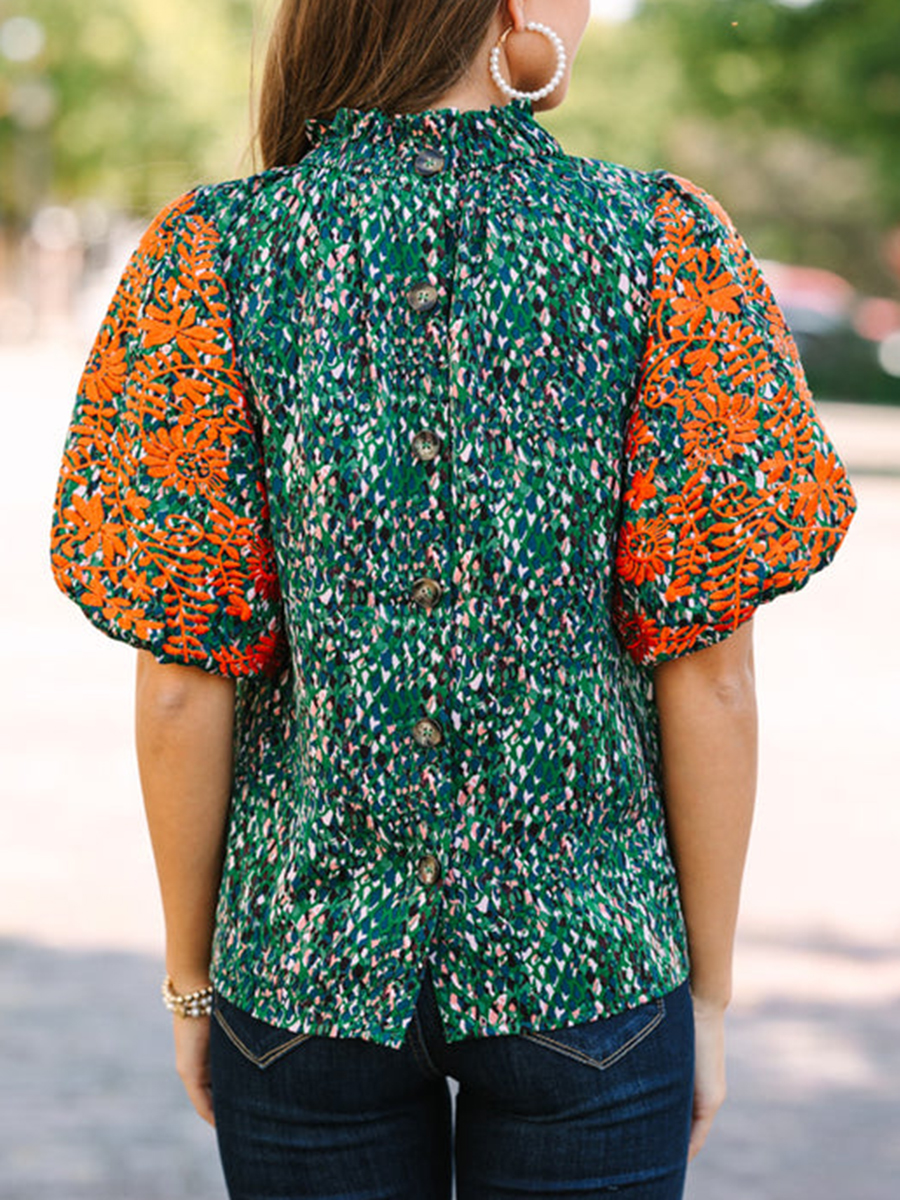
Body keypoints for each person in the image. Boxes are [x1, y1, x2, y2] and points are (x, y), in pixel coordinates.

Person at [49, 1, 857, 1196]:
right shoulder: (663, 244)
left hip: (301, 971)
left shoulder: (215, 251)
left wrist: (190, 982)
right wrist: (713, 994)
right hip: (590, 969)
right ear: (517, 12)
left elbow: (182, 679)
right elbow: (712, 672)